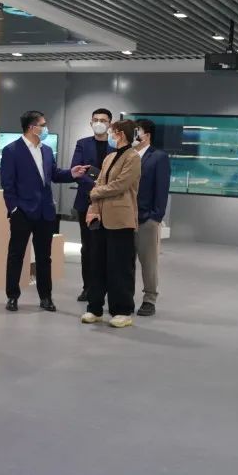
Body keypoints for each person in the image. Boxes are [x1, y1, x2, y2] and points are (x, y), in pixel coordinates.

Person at [0, 111, 88, 312]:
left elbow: (54, 174)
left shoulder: (47, 150)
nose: (46, 128)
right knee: (16, 255)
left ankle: (46, 297)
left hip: (45, 212)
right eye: (43, 124)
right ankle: (12, 296)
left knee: (44, 257)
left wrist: (72, 173)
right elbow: (8, 184)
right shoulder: (11, 150)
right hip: (22, 212)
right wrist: (14, 209)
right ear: (32, 128)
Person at [82, 119, 142, 329]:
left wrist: (95, 192)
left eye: (112, 131)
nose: (109, 134)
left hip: (121, 220)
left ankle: (122, 310)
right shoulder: (109, 157)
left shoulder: (133, 157)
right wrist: (94, 206)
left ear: (121, 133)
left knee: (120, 267)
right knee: (97, 264)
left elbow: (120, 185)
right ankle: (94, 308)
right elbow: (100, 181)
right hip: (101, 218)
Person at [70, 107, 115, 302]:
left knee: (108, 248)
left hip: (111, 203)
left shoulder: (117, 146)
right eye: (96, 120)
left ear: (110, 124)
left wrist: (105, 188)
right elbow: (77, 171)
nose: (99, 123)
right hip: (86, 202)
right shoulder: (82, 144)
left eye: (103, 120)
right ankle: (88, 287)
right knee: (88, 247)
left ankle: (107, 288)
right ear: (90, 123)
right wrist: (96, 187)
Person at [133, 119, 171, 317]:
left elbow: (162, 189)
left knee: (148, 262)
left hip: (147, 218)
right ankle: (125, 297)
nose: (133, 135)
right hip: (124, 217)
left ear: (146, 135)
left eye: (136, 131)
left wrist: (156, 216)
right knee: (124, 261)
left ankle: (149, 299)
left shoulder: (158, 157)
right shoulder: (127, 155)